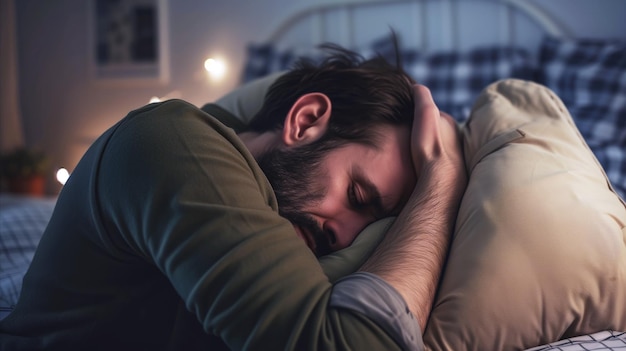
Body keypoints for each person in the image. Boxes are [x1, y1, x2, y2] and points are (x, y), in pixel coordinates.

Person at [0, 47, 466, 350]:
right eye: (357, 194)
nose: (345, 238)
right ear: (304, 121)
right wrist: (442, 181)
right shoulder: (172, 140)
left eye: (371, 228)